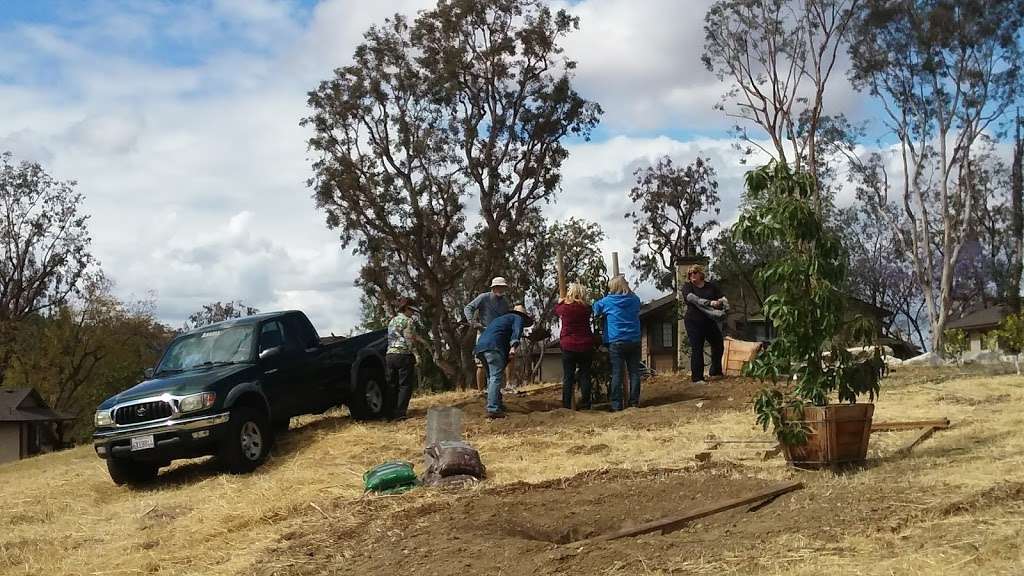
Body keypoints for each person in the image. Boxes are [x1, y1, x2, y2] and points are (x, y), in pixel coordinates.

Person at [473, 304, 534, 419]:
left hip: (480, 347)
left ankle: (497, 404)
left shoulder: (499, 320)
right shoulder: (518, 318)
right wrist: (513, 347)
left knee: (491, 377)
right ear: (523, 317)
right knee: (496, 377)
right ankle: (493, 409)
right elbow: (516, 332)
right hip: (493, 347)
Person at [592, 276, 642, 411]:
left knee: (617, 373)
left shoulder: (608, 301)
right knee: (634, 372)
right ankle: (634, 403)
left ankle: (616, 405)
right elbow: (638, 307)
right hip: (634, 340)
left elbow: (595, 309)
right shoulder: (634, 299)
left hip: (616, 341)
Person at [681, 264, 727, 384]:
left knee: (718, 344)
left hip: (709, 321)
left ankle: (715, 371)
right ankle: (697, 378)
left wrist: (722, 303)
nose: (692, 275)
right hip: (694, 322)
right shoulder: (687, 287)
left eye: (695, 272)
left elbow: (722, 298)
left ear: (701, 273)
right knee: (697, 348)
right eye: (690, 274)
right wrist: (711, 303)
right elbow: (693, 299)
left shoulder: (710, 286)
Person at [464, 277, 511, 391]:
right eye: (498, 287)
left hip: (498, 336)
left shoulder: (505, 302)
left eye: (502, 287)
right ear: (493, 288)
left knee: (497, 364)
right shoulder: (484, 297)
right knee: (481, 363)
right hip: (484, 333)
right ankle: (481, 390)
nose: (500, 289)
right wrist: (473, 322)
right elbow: (468, 308)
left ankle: (493, 390)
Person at [554, 283, 595, 410]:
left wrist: (561, 302)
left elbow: (557, 310)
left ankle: (566, 404)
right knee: (585, 375)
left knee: (568, 376)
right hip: (585, 345)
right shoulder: (587, 308)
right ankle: (586, 402)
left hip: (568, 345)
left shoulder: (565, 308)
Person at [386, 297, 422, 420]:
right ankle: (400, 413)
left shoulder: (392, 321)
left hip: (390, 355)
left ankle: (389, 413)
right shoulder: (408, 321)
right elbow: (409, 340)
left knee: (392, 384)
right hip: (403, 355)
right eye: (412, 310)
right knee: (405, 385)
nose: (413, 313)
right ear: (406, 308)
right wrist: (417, 355)